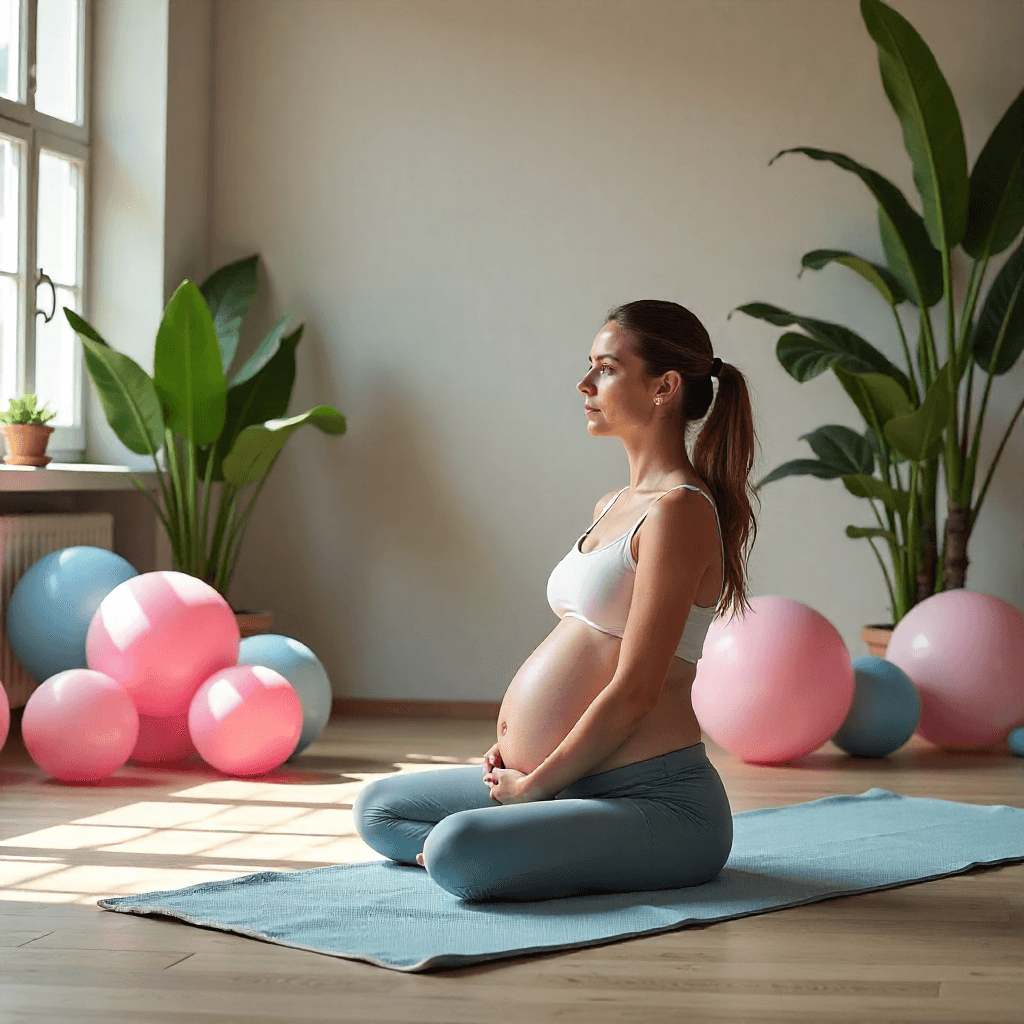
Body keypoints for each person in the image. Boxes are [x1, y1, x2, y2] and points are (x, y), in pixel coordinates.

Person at [354, 299, 759, 901]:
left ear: (664, 387)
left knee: (452, 848)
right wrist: (520, 747)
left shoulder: (680, 511)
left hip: (654, 800)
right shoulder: (613, 505)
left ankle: (504, 845)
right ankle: (524, 843)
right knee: (379, 808)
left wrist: (536, 785)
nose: (585, 383)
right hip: (567, 778)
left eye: (607, 367)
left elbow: (636, 690)